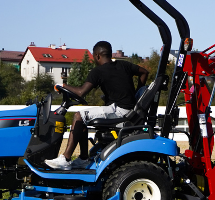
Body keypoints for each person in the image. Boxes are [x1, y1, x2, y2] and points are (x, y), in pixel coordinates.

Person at [45, 41, 148, 170]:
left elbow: (81, 92)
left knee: (78, 116)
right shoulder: (124, 64)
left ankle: (65, 159)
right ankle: (83, 159)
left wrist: (63, 86)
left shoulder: (98, 71)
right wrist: (136, 93)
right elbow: (144, 72)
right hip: (130, 111)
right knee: (82, 119)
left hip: (120, 111)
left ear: (97, 56)